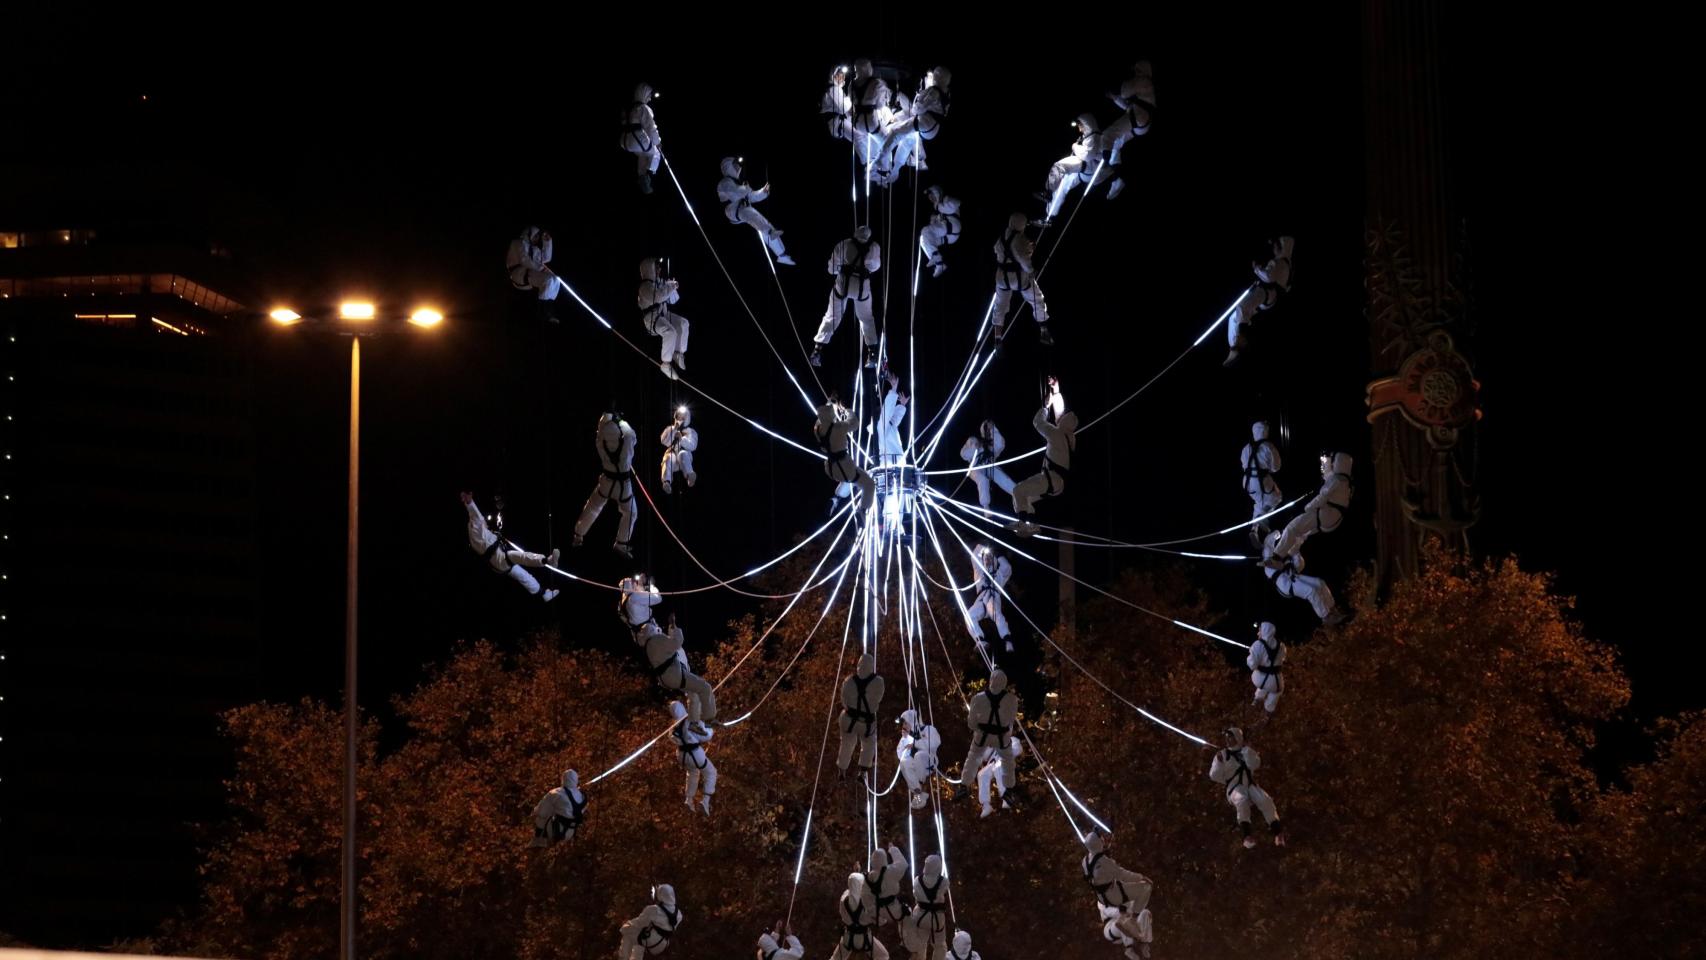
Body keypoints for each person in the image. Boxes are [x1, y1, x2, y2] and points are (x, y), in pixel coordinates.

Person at [461, 492, 559, 602]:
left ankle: (543, 593)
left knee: (524, 576)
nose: (485, 522)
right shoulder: (476, 531)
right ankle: (547, 560)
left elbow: (479, 520)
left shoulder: (481, 532)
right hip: (498, 559)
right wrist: (469, 502)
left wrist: (496, 536)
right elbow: (475, 514)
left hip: (498, 562)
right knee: (521, 557)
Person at [1009, 379, 1076, 536]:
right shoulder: (1070, 437)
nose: (1057, 417)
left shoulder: (1057, 433)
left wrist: (1045, 407)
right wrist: (1056, 392)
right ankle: (1032, 524)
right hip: (1056, 483)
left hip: (1049, 479)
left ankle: (1022, 522)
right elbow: (1061, 415)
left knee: (1018, 491)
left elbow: (1038, 422)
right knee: (1025, 499)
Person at [813, 227, 883, 370]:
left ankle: (818, 349)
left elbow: (831, 268)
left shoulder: (844, 244)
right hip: (861, 288)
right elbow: (875, 267)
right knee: (866, 318)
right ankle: (872, 352)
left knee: (832, 317)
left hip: (843, 284)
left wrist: (841, 268)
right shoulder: (874, 247)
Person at [573, 408, 638, 558]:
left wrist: (608, 420)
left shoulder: (600, 441)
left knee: (593, 507)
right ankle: (621, 543)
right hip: (623, 485)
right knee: (631, 512)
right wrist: (621, 421)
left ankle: (578, 534)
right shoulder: (627, 440)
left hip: (607, 482)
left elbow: (601, 430)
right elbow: (631, 435)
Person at [1209, 726, 1285, 848]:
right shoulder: (1222, 755)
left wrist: (1246, 751)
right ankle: (1247, 836)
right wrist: (1219, 763)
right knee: (1241, 801)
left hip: (1250, 785)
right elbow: (1213, 775)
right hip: (1235, 788)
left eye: (1230, 737)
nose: (1228, 739)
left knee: (1266, 801)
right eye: (1227, 737)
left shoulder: (1247, 751)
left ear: (1238, 738)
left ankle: (1278, 833)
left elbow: (1255, 764)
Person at [1225, 237, 1295, 365]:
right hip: (1268, 296)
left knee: (1242, 307)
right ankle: (1234, 348)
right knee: (1234, 317)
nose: (1274, 249)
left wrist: (1257, 268)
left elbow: (1268, 276)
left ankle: (1242, 339)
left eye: (1276, 246)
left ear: (1281, 247)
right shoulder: (1287, 265)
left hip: (1266, 291)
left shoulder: (1280, 262)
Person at [717, 157, 795, 264]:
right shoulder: (725, 182)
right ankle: (769, 232)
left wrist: (763, 192)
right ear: (728, 167)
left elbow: (751, 196)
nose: (737, 167)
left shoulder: (738, 183)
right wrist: (745, 188)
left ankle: (782, 255)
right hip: (732, 209)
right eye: (734, 165)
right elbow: (734, 192)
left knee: (763, 223)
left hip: (742, 207)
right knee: (751, 214)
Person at [991, 213, 1052, 345]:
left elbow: (999, 251)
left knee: (1000, 306)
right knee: (1037, 298)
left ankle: (997, 338)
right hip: (1019, 279)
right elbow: (1023, 258)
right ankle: (1043, 330)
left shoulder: (1002, 237)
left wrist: (1027, 249)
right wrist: (1031, 270)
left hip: (1002, 278)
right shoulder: (1019, 238)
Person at [637, 258, 689, 379]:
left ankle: (678, 352)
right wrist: (669, 288)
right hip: (652, 319)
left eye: (659, 267)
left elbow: (674, 300)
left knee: (684, 323)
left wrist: (673, 287)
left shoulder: (660, 283)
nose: (659, 269)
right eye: (656, 267)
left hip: (663, 314)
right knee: (670, 332)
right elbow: (659, 297)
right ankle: (666, 363)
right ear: (649, 269)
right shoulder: (644, 287)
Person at [670, 700, 717, 815]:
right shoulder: (690, 723)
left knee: (692, 773)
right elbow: (706, 735)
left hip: (681, 755)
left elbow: (673, 739)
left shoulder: (673, 727)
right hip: (694, 754)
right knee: (711, 772)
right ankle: (705, 802)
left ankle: (689, 800)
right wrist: (710, 727)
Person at [959, 420, 1015, 510]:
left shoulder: (992, 446)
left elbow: (1000, 444)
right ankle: (985, 505)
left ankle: (1019, 493)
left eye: (990, 430)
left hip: (989, 466)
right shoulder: (974, 440)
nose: (989, 432)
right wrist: (974, 446)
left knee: (1003, 478)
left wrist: (993, 428)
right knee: (983, 480)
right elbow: (963, 454)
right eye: (987, 430)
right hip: (975, 468)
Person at [618, 884, 682, 959]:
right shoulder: (679, 914)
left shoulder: (654, 910)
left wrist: (626, 924)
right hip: (663, 943)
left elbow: (640, 923)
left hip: (653, 942)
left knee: (628, 932)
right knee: (639, 936)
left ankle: (623, 958)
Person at [619, 82, 662, 194]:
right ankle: (649, 174)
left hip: (625, 142)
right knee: (655, 153)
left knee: (643, 154)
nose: (649, 99)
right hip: (636, 141)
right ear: (643, 94)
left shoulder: (629, 108)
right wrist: (657, 142)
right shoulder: (643, 108)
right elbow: (651, 127)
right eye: (648, 96)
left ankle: (642, 175)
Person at [896, 709, 941, 810]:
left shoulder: (928, 729)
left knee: (918, 755)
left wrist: (915, 743)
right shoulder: (906, 736)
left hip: (929, 761)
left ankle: (920, 782)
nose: (904, 725)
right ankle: (918, 792)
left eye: (906, 722)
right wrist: (905, 739)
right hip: (916, 766)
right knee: (904, 762)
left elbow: (934, 744)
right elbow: (900, 754)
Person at [529, 768, 586, 846]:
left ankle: (538, 840)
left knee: (543, 813)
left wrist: (535, 812)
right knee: (558, 807)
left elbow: (541, 811)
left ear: (563, 779)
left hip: (557, 830)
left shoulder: (555, 793)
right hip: (572, 831)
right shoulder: (581, 795)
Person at [919, 185, 962, 277]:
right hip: (948, 235)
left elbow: (957, 203)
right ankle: (939, 264)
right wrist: (934, 220)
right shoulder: (938, 212)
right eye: (930, 198)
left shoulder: (946, 199)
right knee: (923, 239)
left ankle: (937, 258)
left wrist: (938, 207)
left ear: (937, 194)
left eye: (932, 196)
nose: (931, 199)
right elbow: (933, 228)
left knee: (925, 231)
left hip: (952, 225)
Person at [659, 406, 698, 493]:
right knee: (668, 457)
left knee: (682, 454)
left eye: (682, 417)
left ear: (686, 418)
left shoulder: (690, 431)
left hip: (685, 458)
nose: (680, 418)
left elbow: (693, 445)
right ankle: (666, 482)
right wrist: (674, 430)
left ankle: (689, 476)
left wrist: (682, 439)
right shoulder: (670, 429)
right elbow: (664, 441)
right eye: (678, 416)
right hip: (673, 458)